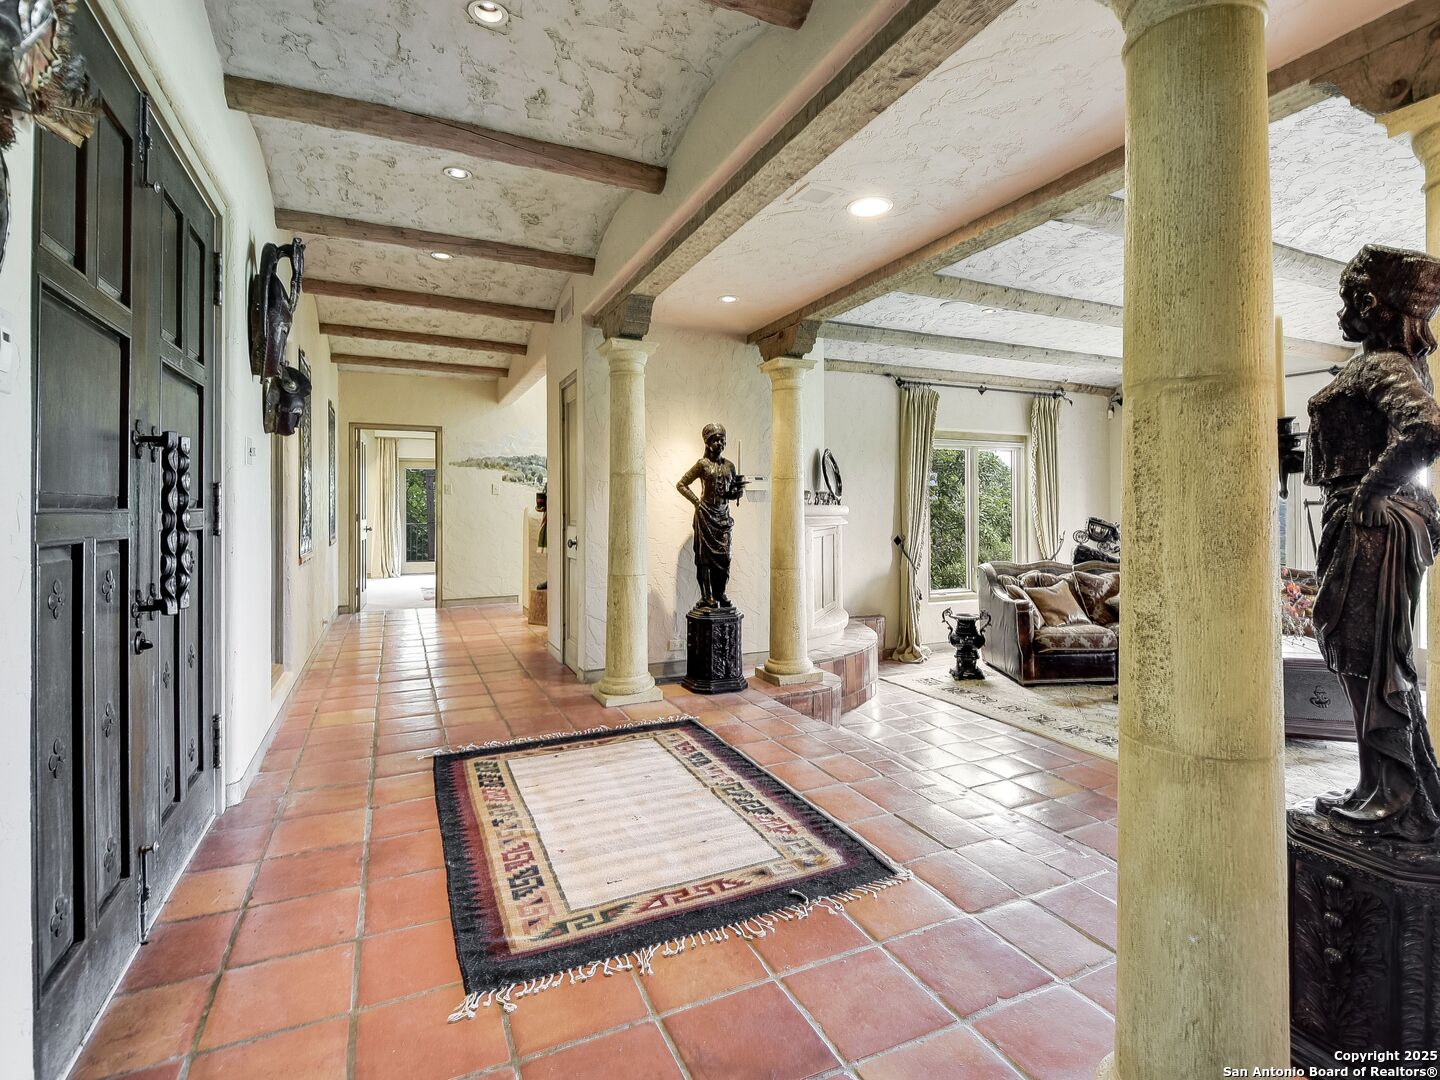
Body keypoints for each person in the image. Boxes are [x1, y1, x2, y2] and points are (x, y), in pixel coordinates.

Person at [1307, 243, 1440, 842]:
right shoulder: (1390, 364)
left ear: (1371, 304)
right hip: (1368, 521)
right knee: (1365, 656)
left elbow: (1430, 429)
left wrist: (1372, 490)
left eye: (1349, 297)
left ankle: (1394, 792)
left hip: (1373, 527)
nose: (1342, 309)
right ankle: (1378, 785)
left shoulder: (1380, 365)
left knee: (1368, 656)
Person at [676, 423, 746, 610]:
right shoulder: (702, 464)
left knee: (725, 557)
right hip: (705, 516)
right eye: (716, 439)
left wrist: (737, 492)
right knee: (704, 559)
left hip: (723, 518)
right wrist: (697, 503)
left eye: (722, 439)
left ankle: (720, 592)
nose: (720, 443)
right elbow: (682, 484)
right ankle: (707, 595)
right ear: (707, 443)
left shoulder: (729, 466)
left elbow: (730, 494)